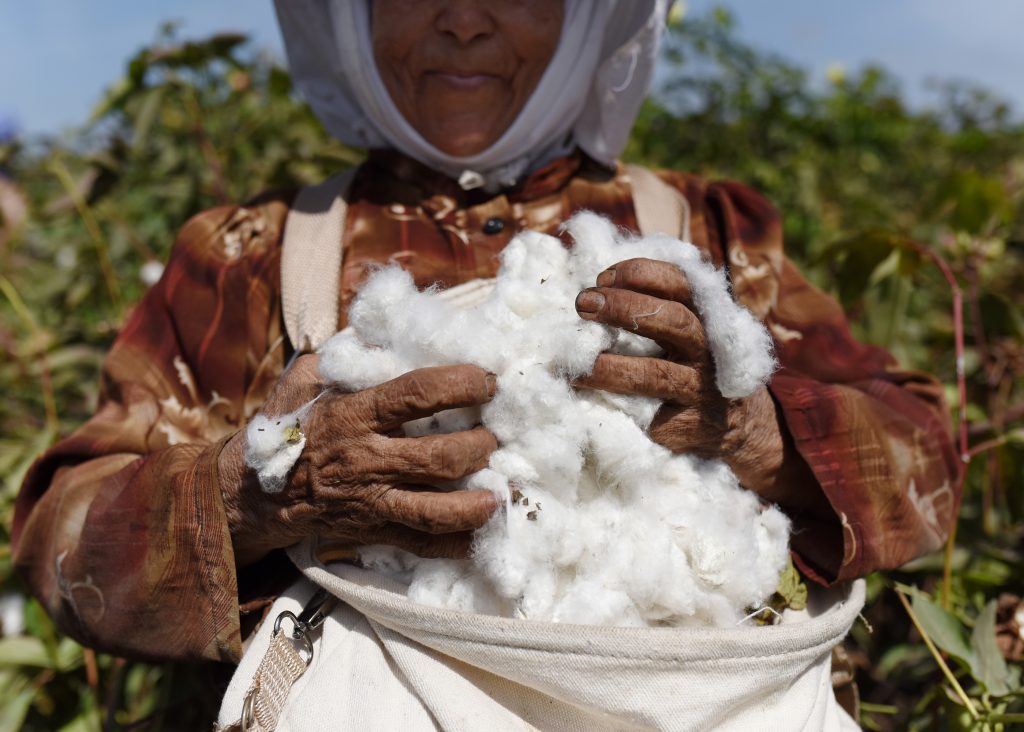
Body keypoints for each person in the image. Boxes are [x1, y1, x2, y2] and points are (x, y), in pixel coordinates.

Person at [13, 0, 958, 670]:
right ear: (350, 16)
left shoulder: (714, 235)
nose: (463, 18)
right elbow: (64, 542)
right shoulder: (244, 260)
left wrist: (757, 432)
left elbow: (929, 457)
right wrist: (265, 494)